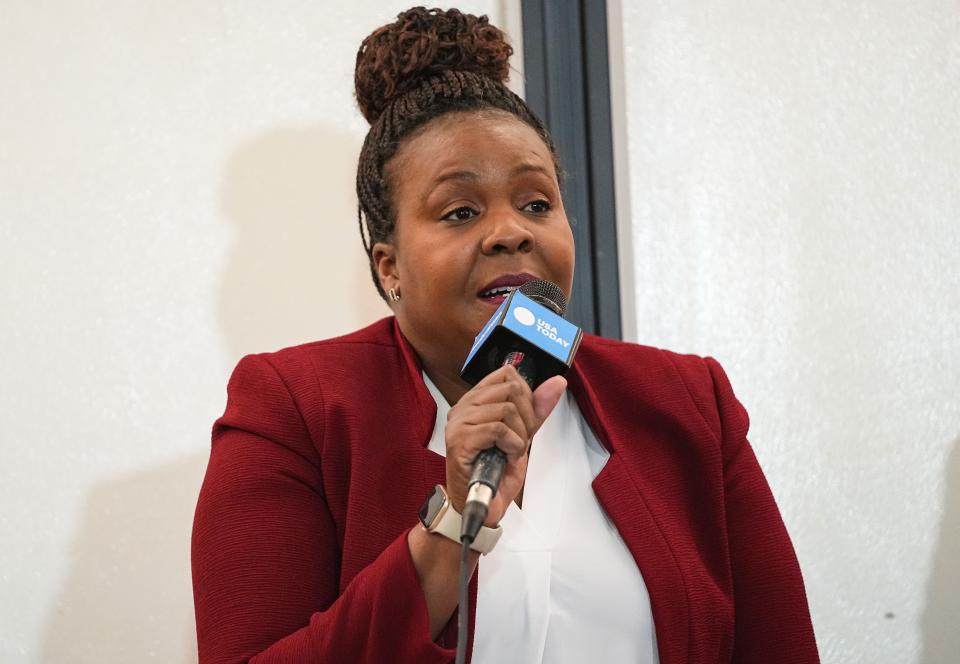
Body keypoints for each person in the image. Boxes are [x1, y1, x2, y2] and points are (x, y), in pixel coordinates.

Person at [191, 7, 819, 663]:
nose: (511, 232)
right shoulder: (296, 408)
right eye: (460, 211)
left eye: (536, 203)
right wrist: (455, 521)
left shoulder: (689, 403)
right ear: (390, 266)